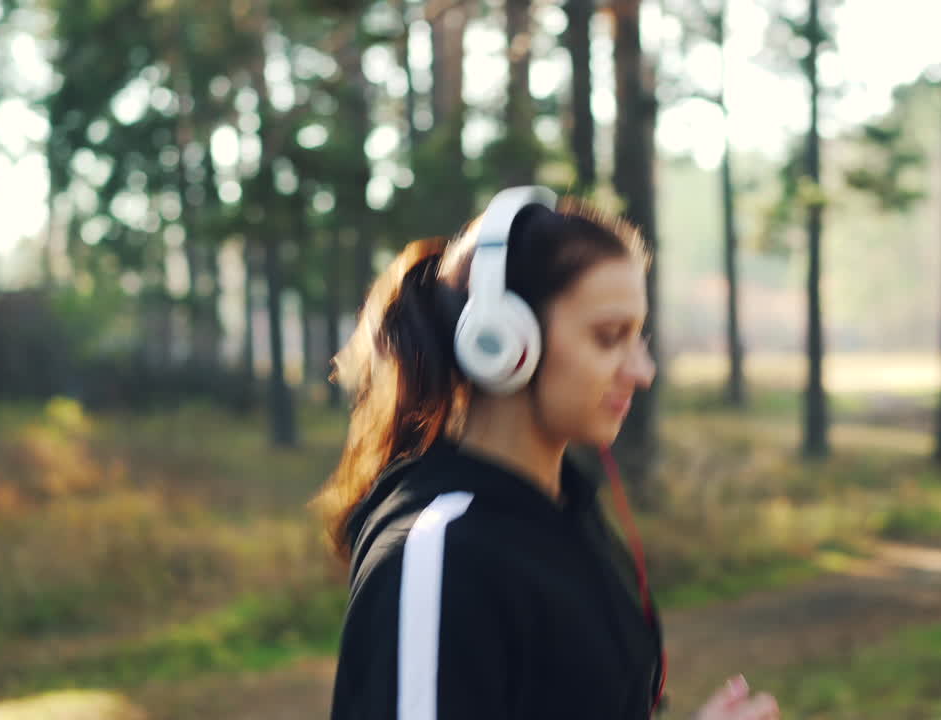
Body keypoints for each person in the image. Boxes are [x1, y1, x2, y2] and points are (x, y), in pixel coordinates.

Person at [316, 186, 781, 720]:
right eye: (609, 337)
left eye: (640, 337)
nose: (642, 371)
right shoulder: (443, 552)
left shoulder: (568, 517)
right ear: (503, 343)